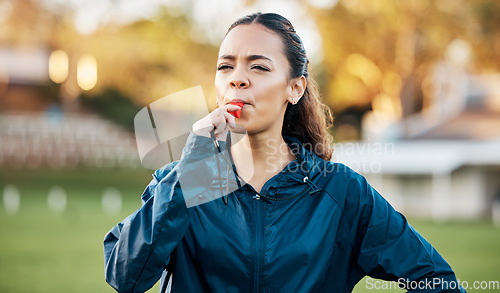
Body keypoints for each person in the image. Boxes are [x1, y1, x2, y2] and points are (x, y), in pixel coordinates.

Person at [104, 12, 466, 293]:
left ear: (294, 88)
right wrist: (192, 170)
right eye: (226, 66)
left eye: (258, 67)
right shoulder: (181, 182)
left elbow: (435, 278)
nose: (237, 78)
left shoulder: (340, 191)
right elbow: (126, 277)